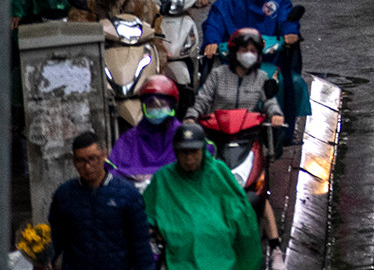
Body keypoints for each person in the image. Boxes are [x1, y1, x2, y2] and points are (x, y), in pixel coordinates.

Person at [143, 123, 263, 270]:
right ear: (176, 152)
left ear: (203, 149)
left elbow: (240, 211)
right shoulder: (163, 178)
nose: (189, 158)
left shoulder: (219, 172)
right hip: (180, 249)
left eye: (194, 152)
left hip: (219, 244)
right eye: (184, 152)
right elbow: (146, 213)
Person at [47, 130, 154, 270]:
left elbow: (140, 245)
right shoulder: (64, 195)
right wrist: (46, 260)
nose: (87, 166)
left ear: (104, 156)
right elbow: (55, 237)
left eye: (93, 158)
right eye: (81, 160)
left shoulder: (127, 193)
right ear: (74, 161)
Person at [190, 28, 284, 140]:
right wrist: (191, 116)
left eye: (252, 51)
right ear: (235, 52)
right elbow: (203, 99)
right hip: (218, 133)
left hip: (248, 134)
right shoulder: (218, 74)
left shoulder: (261, 77)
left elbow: (270, 102)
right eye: (244, 50)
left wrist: (276, 115)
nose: (248, 54)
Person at [112, 75, 183, 178]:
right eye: (151, 105)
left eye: (162, 104)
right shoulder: (130, 139)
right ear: (143, 106)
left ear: (172, 106)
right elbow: (111, 169)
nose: (156, 109)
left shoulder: (182, 135)